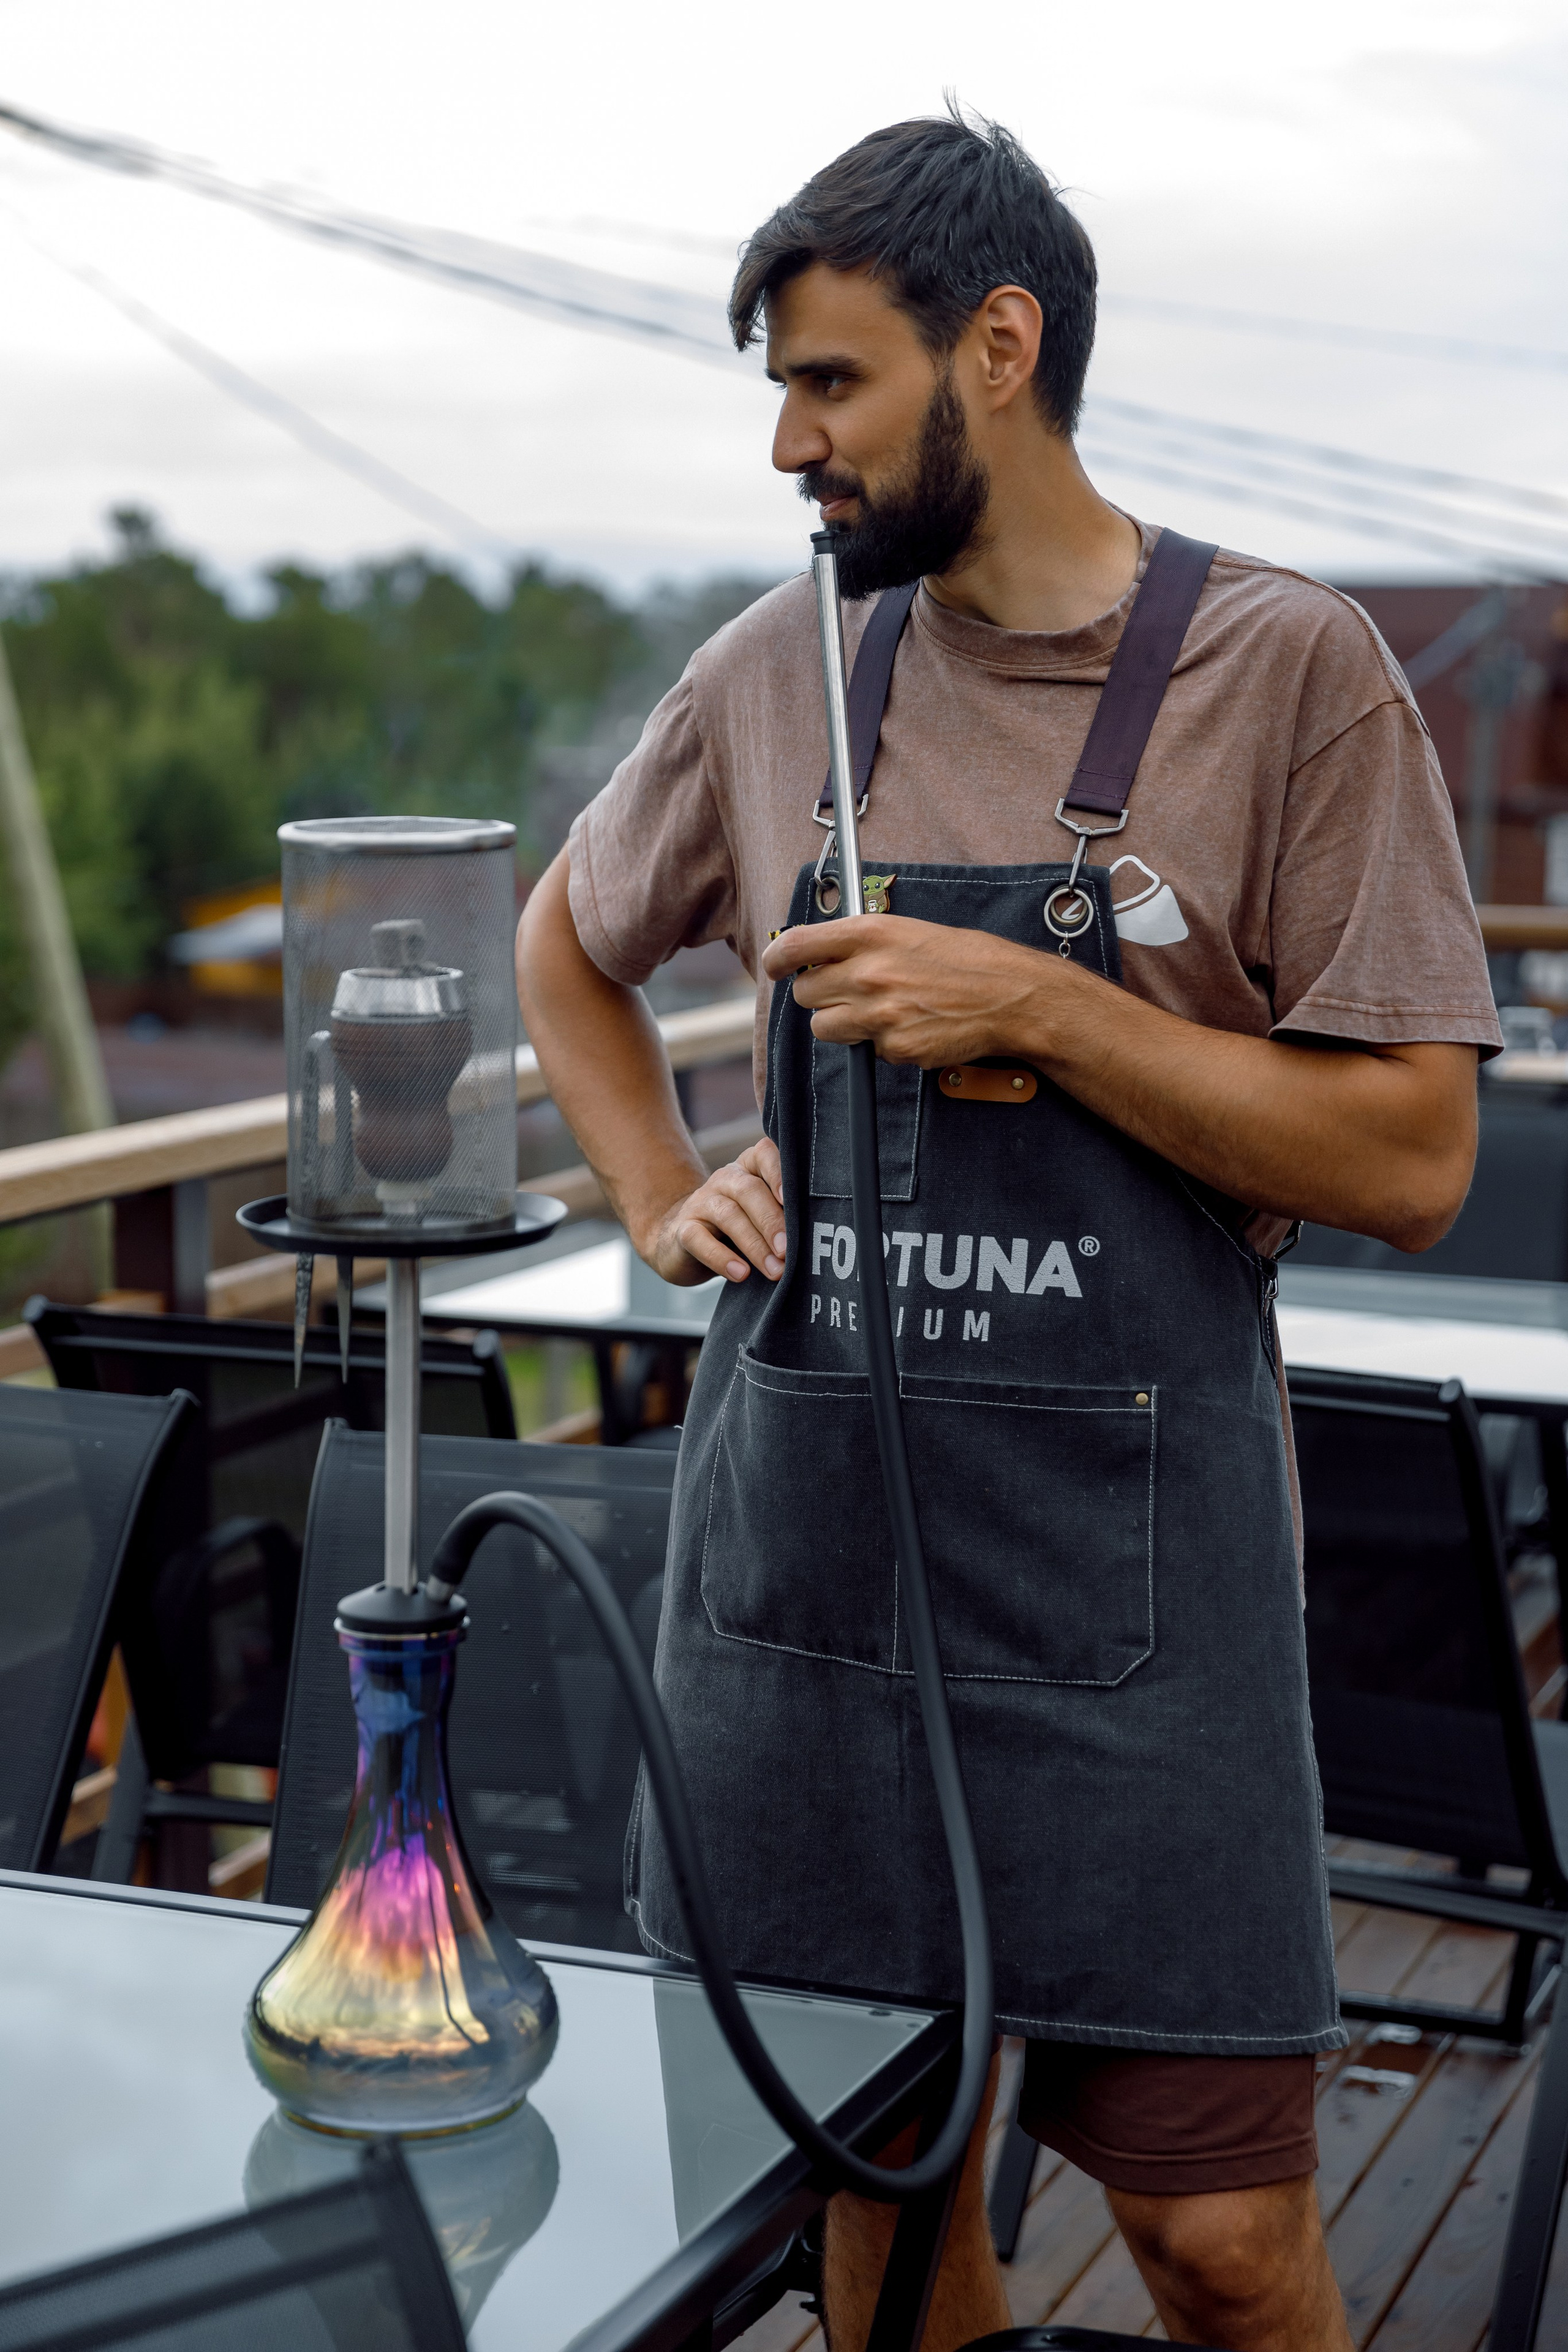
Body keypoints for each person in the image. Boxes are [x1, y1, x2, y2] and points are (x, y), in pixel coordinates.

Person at [516, 108, 1501, 2352]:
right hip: (812, 1604)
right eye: (774, 387)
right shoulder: (782, 671)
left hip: (1136, 1621)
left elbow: (1414, 1160)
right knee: (885, 2218)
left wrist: (1042, 1008)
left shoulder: (1293, 674)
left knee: (1226, 2254)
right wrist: (661, 1188)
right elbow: (565, 952)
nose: (791, 442)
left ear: (999, 346)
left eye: (833, 381)